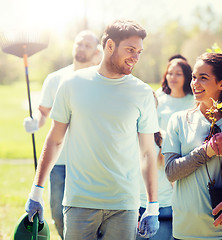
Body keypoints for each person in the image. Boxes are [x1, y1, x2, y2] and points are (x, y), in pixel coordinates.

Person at [25, 19, 160, 240]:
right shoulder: (71, 84)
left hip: (123, 205)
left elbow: (147, 153)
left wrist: (153, 205)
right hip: (80, 202)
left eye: (139, 52)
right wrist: (36, 192)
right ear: (109, 46)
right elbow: (55, 140)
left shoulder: (142, 92)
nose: (136, 57)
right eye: (130, 50)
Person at [162, 52, 222, 240]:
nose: (195, 83)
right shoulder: (178, 121)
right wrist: (207, 151)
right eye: (193, 77)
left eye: (203, 78)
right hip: (187, 231)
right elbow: (171, 172)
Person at [22, 29, 101, 239]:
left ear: (96, 51)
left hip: (89, 160)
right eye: (79, 43)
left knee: (90, 213)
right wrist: (34, 121)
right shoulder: (55, 78)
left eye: (87, 45)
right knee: (57, 212)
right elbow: (43, 112)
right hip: (59, 161)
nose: (81, 48)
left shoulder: (101, 80)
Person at [138, 58, 194, 240]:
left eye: (178, 73)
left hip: (185, 156)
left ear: (187, 77)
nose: (173, 77)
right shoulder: (159, 97)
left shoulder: (194, 100)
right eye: (170, 73)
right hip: (158, 153)